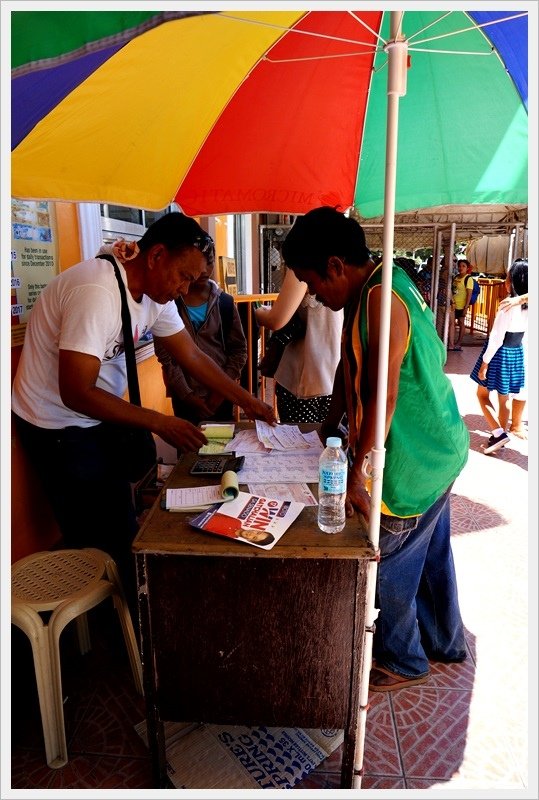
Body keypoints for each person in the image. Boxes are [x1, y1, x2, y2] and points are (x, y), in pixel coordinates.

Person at [12, 212, 276, 602]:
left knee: (118, 519)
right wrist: (159, 422)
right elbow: (75, 392)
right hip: (54, 423)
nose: (185, 289)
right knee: (94, 536)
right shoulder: (96, 290)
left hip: (93, 415)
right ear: (155, 257)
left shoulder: (157, 294)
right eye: (184, 277)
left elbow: (195, 358)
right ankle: (112, 627)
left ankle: (127, 609)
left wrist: (250, 402)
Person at [281, 206, 469, 692]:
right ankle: (446, 642)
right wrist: (324, 425)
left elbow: (381, 395)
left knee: (388, 561)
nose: (316, 296)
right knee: (431, 554)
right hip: (441, 444)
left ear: (336, 266)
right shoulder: (379, 283)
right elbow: (351, 365)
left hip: (411, 459)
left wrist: (359, 469)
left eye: (313, 283)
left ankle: (404, 659)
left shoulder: (380, 300)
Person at [154, 244, 247, 428]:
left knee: (220, 448)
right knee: (188, 449)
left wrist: (221, 391)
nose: (205, 270)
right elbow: (166, 356)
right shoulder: (170, 302)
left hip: (220, 396)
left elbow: (239, 350)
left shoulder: (225, 303)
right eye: (200, 264)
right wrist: (186, 394)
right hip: (183, 397)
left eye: (210, 262)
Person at [255, 266, 343, 423]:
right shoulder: (345, 264)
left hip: (303, 376)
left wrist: (258, 311)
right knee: (333, 441)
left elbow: (276, 319)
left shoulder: (303, 260)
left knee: (297, 440)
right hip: (338, 375)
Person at [470, 259, 528, 453]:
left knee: (482, 394)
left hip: (499, 353)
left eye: (508, 277)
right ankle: (500, 435)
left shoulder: (507, 305)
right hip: (516, 351)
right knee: (505, 399)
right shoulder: (528, 306)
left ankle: (498, 433)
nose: (505, 280)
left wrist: (484, 363)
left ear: (514, 282)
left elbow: (496, 338)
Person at [448, 258, 474, 350]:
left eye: (463, 266)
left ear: (467, 268)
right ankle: (451, 341)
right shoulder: (456, 277)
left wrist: (466, 307)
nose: (460, 268)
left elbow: (469, 293)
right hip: (453, 304)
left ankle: (459, 342)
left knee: (461, 323)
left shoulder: (468, 278)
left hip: (462, 305)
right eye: (459, 266)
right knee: (452, 324)